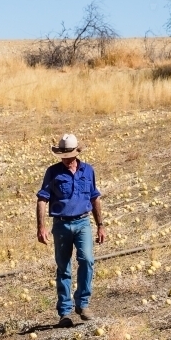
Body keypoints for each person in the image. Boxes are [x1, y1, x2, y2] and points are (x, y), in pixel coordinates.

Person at [36, 134, 106, 327]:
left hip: (83, 223)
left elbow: (95, 198)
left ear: (76, 154)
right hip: (61, 225)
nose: (65, 158)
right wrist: (41, 227)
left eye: (69, 154)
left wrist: (100, 225)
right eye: (63, 154)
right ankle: (65, 312)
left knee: (87, 261)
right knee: (64, 268)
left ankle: (82, 304)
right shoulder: (53, 172)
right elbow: (42, 199)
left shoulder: (88, 171)